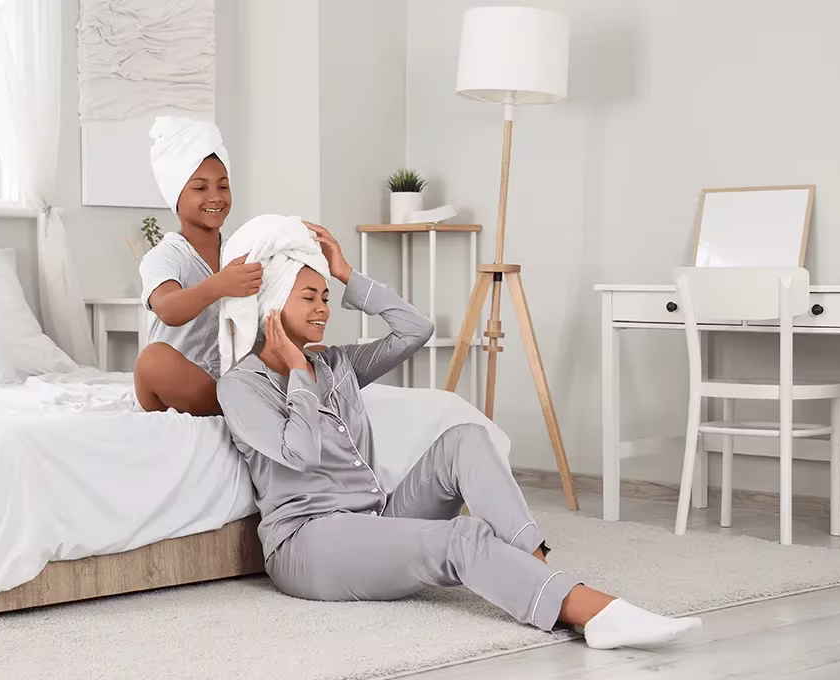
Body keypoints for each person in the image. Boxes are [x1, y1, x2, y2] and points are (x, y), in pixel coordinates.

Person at [217, 224, 703, 650]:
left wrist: (347, 274)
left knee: (466, 437)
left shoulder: (336, 364)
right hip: (309, 544)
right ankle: (593, 613)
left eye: (325, 297)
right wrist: (299, 372)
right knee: (460, 538)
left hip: (377, 517)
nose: (324, 308)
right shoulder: (240, 385)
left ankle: (537, 567)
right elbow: (299, 453)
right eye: (310, 297)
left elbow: (415, 329)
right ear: (273, 305)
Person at [134, 117, 263, 416]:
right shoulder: (164, 256)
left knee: (313, 358)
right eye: (200, 188)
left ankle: (251, 400)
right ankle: (250, 406)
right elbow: (168, 309)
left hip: (230, 379)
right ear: (177, 196)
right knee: (152, 360)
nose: (215, 197)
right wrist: (219, 285)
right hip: (180, 384)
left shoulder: (241, 249)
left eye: (223, 186)